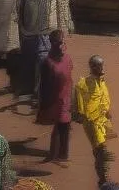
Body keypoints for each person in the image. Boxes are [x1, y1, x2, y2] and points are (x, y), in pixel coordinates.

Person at [74, 54, 113, 183]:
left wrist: (108, 114)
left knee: (101, 149)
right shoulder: (83, 84)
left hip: (103, 121)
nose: (102, 68)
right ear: (93, 67)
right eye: (99, 66)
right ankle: (103, 179)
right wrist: (81, 116)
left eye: (103, 65)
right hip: (92, 123)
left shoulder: (102, 81)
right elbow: (80, 107)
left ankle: (102, 177)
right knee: (100, 150)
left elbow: (104, 99)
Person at [37, 29, 73, 166]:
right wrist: (43, 105)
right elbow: (43, 86)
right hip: (54, 100)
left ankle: (61, 156)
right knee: (60, 126)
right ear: (51, 44)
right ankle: (54, 157)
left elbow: (70, 79)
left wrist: (73, 100)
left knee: (65, 126)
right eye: (58, 43)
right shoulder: (47, 63)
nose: (61, 46)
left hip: (66, 98)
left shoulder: (68, 58)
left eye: (62, 43)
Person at [15, 0, 51, 102]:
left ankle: (30, 90)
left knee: (29, 63)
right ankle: (36, 91)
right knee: (38, 64)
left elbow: (21, 13)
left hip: (30, 34)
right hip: (42, 33)